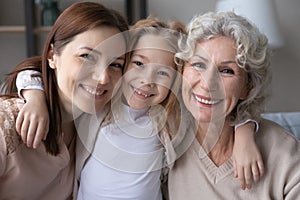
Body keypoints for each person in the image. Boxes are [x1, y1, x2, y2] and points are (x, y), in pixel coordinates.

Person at [15, 16, 263, 199]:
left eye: (163, 73)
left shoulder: (172, 118)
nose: (147, 80)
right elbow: (37, 71)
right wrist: (35, 97)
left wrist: (244, 132)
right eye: (139, 63)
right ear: (121, 63)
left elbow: (225, 110)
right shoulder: (99, 102)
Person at [0, 2, 129, 199]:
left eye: (115, 64)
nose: (103, 78)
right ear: (53, 56)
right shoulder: (6, 124)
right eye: (87, 56)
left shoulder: (97, 126)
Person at [168, 11, 300, 199]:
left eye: (226, 71)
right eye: (198, 65)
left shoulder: (285, 155)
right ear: (182, 70)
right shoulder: (165, 140)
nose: (207, 84)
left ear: (248, 87)